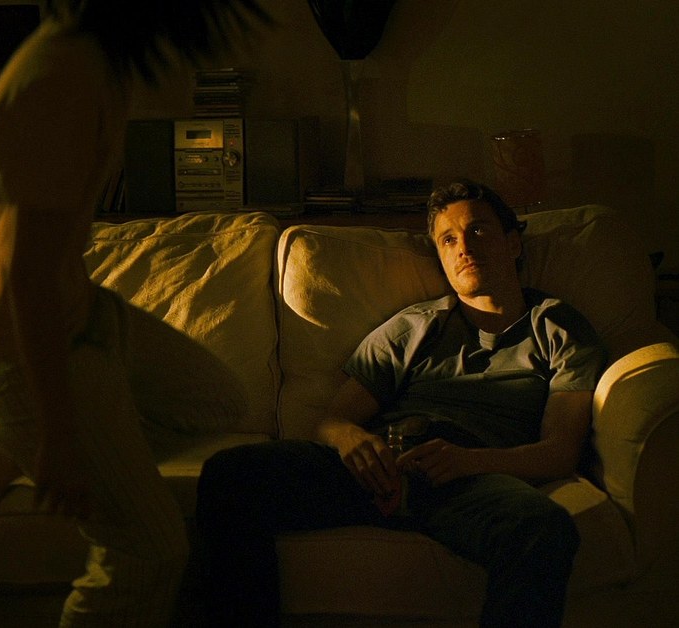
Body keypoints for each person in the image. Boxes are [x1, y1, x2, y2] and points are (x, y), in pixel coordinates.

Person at [0, 1, 269, 626]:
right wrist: (57, 436)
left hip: (82, 315)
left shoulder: (98, 65)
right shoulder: (61, 78)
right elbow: (26, 279)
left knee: (217, 399)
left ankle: (12, 450)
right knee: (150, 549)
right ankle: (20, 442)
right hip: (5, 346)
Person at [195, 179, 607, 627]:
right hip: (383, 466)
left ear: (513, 244)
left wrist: (468, 461)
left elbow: (559, 452)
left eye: (478, 231)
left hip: (473, 476)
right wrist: (352, 440)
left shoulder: (557, 327)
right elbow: (332, 420)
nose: (464, 248)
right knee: (230, 474)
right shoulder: (415, 325)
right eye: (448, 240)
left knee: (543, 529)